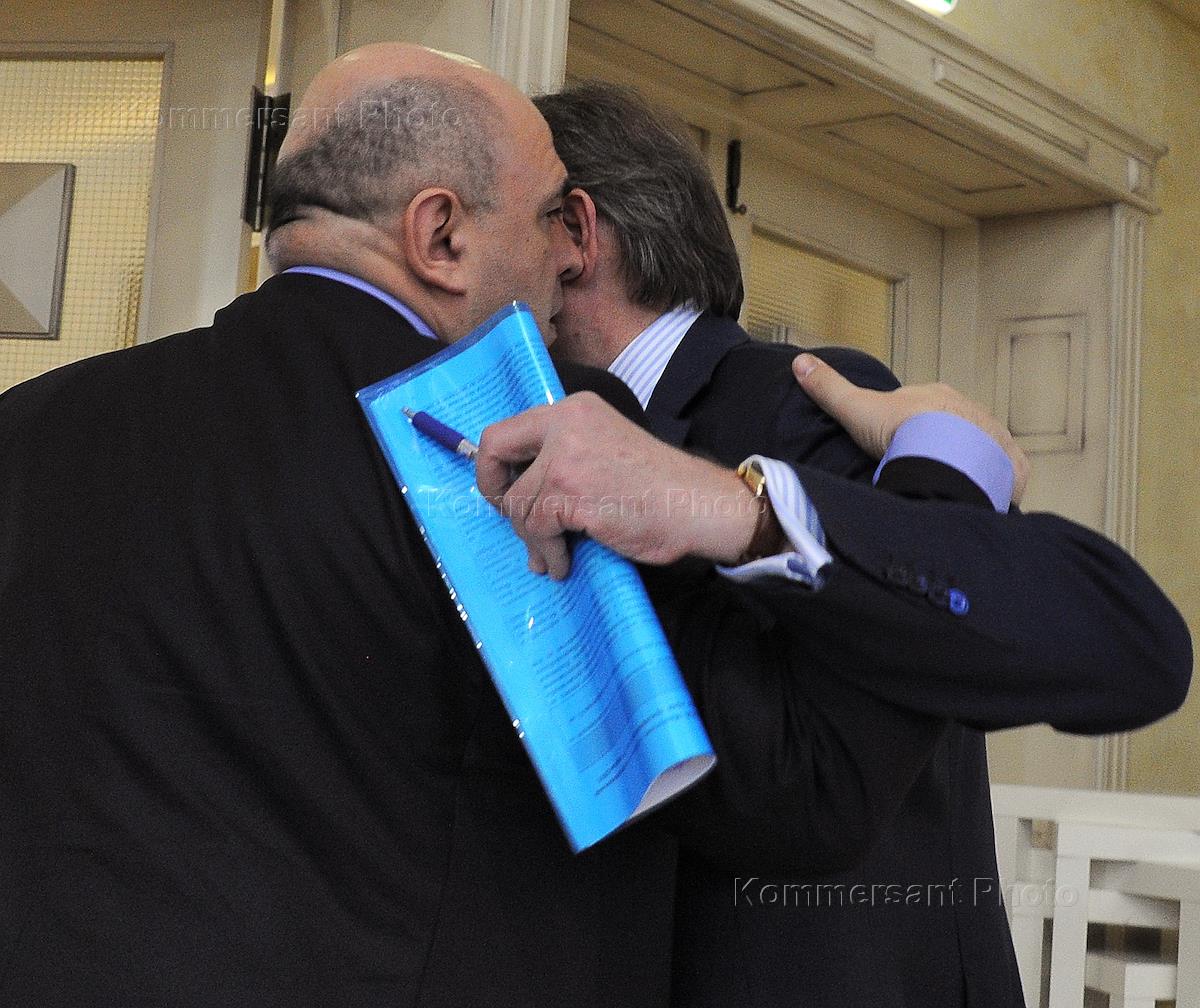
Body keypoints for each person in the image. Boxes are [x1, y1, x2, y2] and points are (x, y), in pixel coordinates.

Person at [0, 43, 1025, 1007]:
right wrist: (946, 480)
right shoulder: (506, 446)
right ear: (440, 236)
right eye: (546, 221)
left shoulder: (33, 425)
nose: (563, 265)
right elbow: (806, 787)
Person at [521, 79, 1193, 1007]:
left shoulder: (803, 397)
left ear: (576, 234)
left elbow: (1100, 647)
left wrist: (769, 503)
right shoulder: (541, 436)